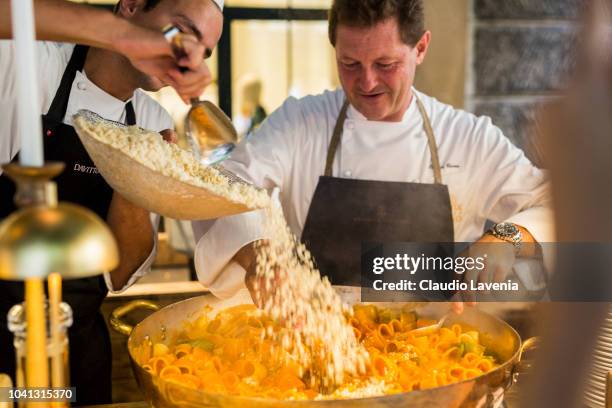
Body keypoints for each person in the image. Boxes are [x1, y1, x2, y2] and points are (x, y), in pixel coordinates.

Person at [192, 0, 554, 304]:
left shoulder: (468, 138)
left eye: (386, 65)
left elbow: (552, 204)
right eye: (349, 64)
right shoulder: (299, 123)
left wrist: (506, 238)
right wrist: (259, 258)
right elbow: (224, 184)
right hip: (316, 344)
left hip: (435, 354)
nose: (366, 83)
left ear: (421, 48)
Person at [0, 0, 223, 405]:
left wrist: (132, 176)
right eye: (182, 33)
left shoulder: (152, 122)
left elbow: (120, 275)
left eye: (203, 51)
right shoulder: (26, 64)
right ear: (132, 6)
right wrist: (128, 38)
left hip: (77, 346)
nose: (190, 56)